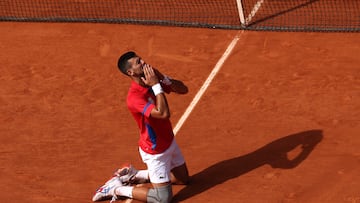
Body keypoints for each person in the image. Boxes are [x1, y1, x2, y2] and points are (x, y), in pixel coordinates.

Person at [92, 51, 190, 203]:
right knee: (162, 199)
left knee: (182, 179)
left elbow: (183, 89)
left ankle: (134, 175)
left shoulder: (150, 80)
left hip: (169, 141)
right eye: (138, 62)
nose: (144, 62)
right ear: (130, 72)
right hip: (155, 151)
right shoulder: (135, 98)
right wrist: (157, 85)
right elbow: (163, 113)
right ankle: (116, 188)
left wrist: (163, 78)